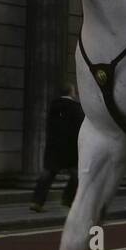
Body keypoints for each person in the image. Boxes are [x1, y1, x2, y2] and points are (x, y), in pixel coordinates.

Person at [30, 83, 84, 212]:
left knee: (47, 175)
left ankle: (37, 202)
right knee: (77, 176)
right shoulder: (76, 108)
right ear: (72, 92)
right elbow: (80, 128)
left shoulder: (53, 106)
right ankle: (67, 199)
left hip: (53, 147)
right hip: (70, 149)